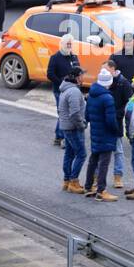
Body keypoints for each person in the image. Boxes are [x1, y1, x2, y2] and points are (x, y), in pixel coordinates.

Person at [83, 68, 119, 201]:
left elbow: (87, 116)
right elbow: (111, 120)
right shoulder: (107, 98)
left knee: (93, 160)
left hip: (95, 132)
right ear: (108, 83)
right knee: (104, 162)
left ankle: (88, 187)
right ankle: (101, 191)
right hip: (106, 134)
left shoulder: (91, 94)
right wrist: (116, 130)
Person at [58, 65, 87, 193]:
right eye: (81, 75)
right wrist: (82, 125)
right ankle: (74, 182)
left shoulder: (66, 89)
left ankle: (66, 180)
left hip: (66, 126)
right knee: (81, 154)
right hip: (73, 128)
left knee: (69, 154)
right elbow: (75, 113)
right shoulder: (74, 92)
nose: (83, 77)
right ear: (76, 77)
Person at [104, 59, 133, 189]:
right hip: (104, 122)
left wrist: (117, 114)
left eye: (105, 70)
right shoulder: (103, 81)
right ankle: (97, 178)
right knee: (101, 151)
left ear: (113, 69)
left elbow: (129, 103)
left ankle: (118, 177)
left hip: (116, 123)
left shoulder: (123, 83)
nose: (103, 73)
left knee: (118, 151)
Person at [47, 34, 77, 146]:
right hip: (60, 90)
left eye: (70, 44)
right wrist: (62, 83)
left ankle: (59, 136)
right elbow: (50, 74)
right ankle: (60, 137)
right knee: (64, 113)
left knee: (68, 113)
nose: (69, 46)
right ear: (62, 45)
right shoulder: (55, 58)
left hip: (72, 90)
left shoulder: (73, 57)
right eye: (67, 44)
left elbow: (76, 69)